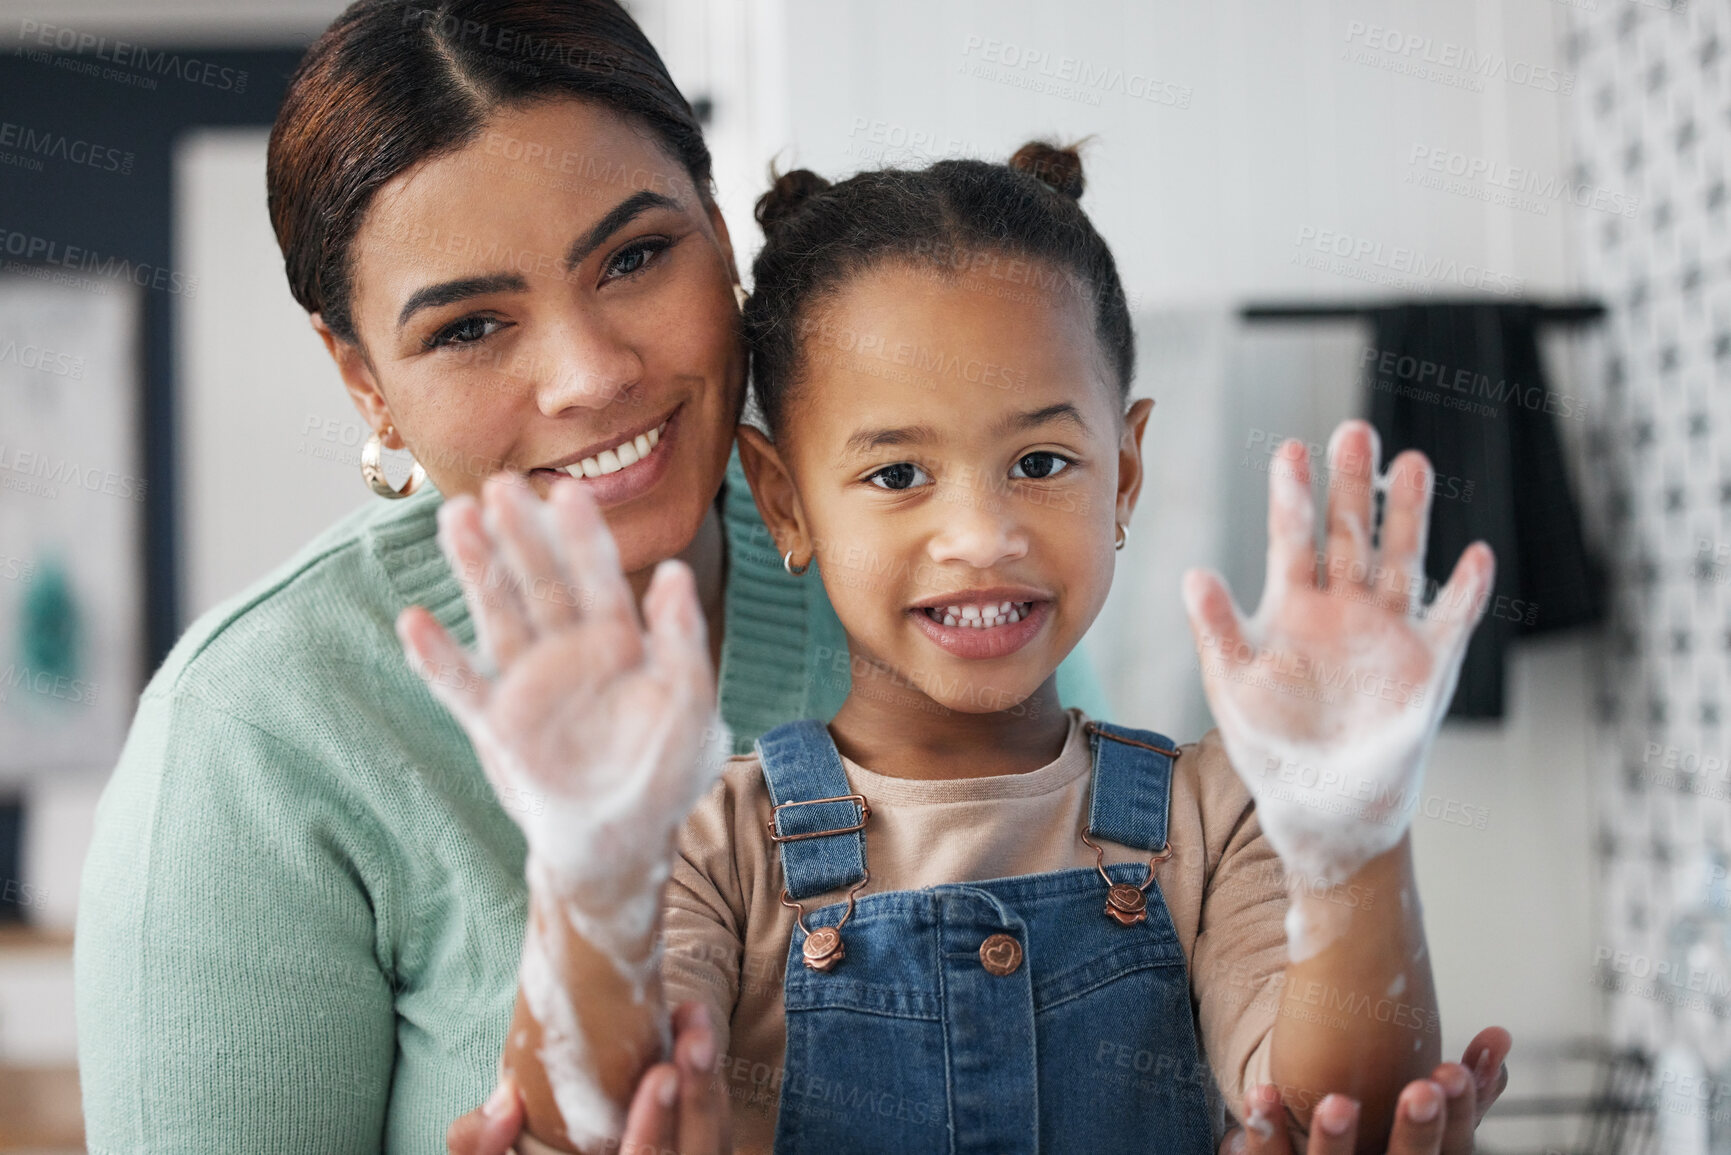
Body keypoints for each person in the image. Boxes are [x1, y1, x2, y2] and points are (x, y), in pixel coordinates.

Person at [68, 0, 1505, 1149]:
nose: (589, 372)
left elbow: (1285, 1061)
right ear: (361, 376)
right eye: (466, 327)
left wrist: (1349, 838)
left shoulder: (924, 620)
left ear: (715, 223)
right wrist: (590, 866)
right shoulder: (255, 736)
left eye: (633, 254)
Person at [404, 143, 1509, 1154]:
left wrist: (1355, 839)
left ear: (1123, 474)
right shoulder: (716, 846)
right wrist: (588, 881)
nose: (983, 535)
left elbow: (1342, 1117)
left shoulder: (1219, 821)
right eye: (896, 476)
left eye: (1040, 462)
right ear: (783, 501)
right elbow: (594, 1120)